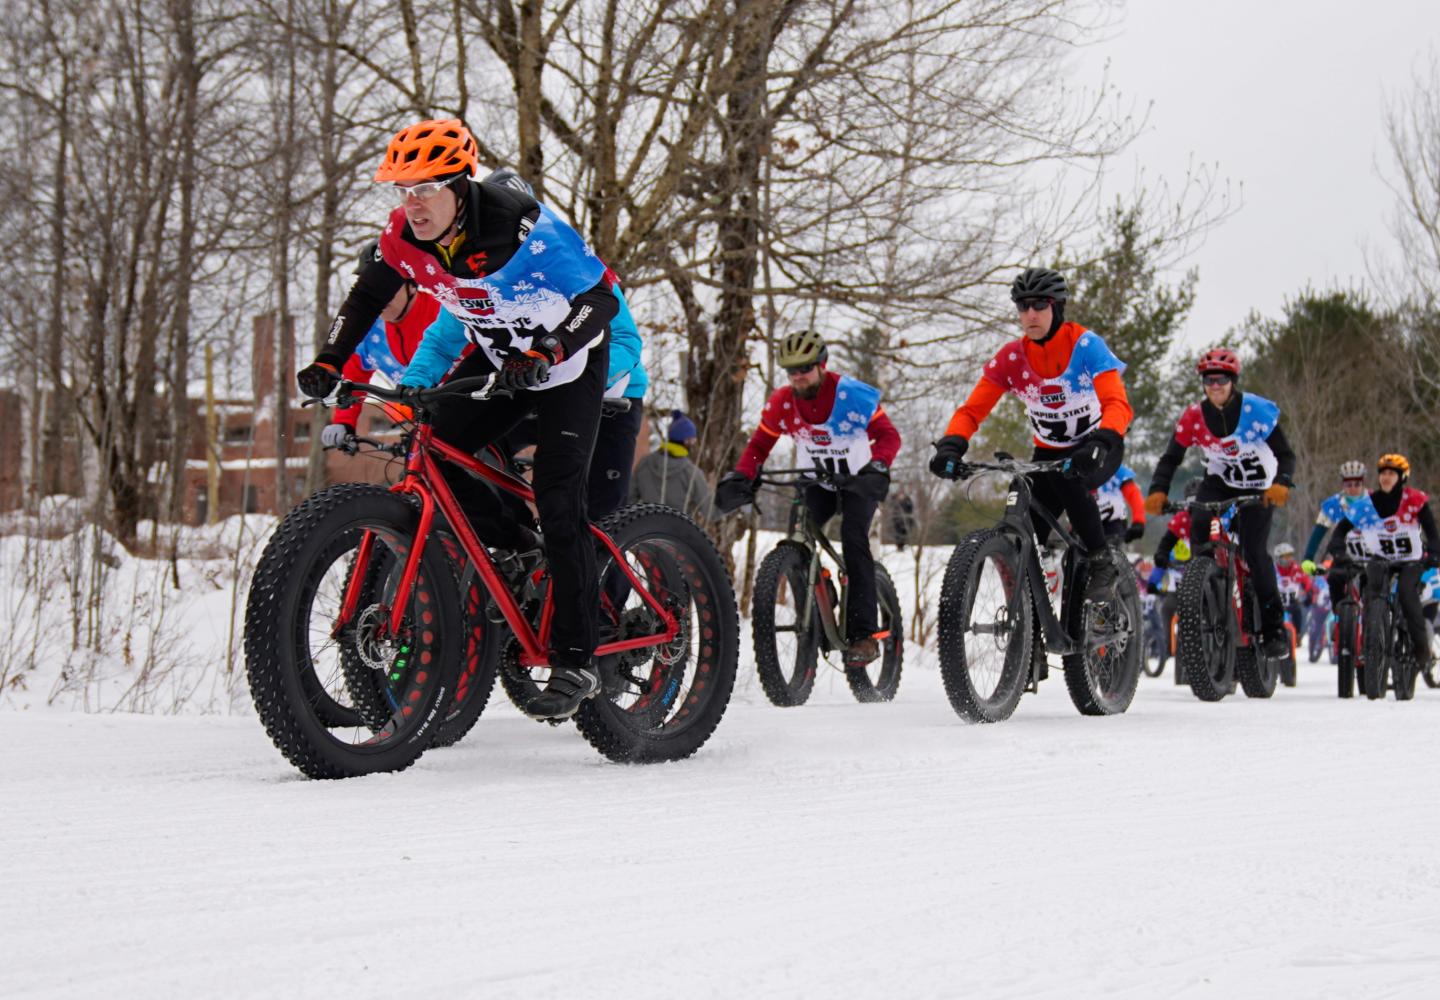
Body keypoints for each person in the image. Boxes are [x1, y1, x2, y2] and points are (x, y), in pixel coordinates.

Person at [295, 119, 619, 721]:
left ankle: (578, 658)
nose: (410, 203)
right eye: (401, 189)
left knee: (557, 497)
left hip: (567, 364)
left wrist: (548, 350)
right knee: (435, 451)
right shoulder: (404, 236)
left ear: (458, 183)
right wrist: (328, 360)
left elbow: (602, 299)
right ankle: (519, 550)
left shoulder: (521, 225)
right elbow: (367, 296)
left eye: (423, 188)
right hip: (498, 359)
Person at [929, 267, 1132, 601]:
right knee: (1024, 513)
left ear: (1058, 307)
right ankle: (1029, 625)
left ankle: (1101, 561)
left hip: (1098, 446)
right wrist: (951, 446)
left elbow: (1117, 403)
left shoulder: (1085, 345)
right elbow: (972, 410)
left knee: (1070, 481)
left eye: (1040, 304)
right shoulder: (1012, 358)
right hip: (1048, 452)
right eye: (1023, 307)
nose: (1031, 314)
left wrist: (1104, 438)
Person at [715, 330, 901, 664]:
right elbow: (759, 445)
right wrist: (742, 475)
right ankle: (815, 601)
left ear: (822, 365)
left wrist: (877, 465)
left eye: (805, 368)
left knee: (853, 538)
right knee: (796, 539)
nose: (798, 376)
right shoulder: (783, 402)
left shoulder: (851, 396)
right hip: (815, 482)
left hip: (857, 482)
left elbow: (889, 436)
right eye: (792, 371)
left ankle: (863, 635)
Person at [484, 167, 649, 522]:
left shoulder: (569, 263)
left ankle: (603, 570)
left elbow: (626, 342)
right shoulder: (488, 278)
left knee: (600, 521)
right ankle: (519, 540)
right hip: (539, 393)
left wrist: (570, 384)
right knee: (477, 448)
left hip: (611, 398)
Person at [1144, 348, 1295, 657]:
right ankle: (1204, 591)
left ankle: (1273, 627)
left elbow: (1286, 454)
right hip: (1220, 483)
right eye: (1209, 380)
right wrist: (1159, 489)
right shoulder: (1194, 417)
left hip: (1258, 486)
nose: (1215, 386)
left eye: (1222, 380)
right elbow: (1172, 457)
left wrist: (1282, 483)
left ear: (1233, 381)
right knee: (1199, 524)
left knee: (1254, 551)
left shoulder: (1255, 410)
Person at [319, 242, 444, 452]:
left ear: (411, 284)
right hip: (426, 419)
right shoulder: (370, 332)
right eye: (372, 289)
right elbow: (352, 374)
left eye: (388, 287)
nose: (380, 297)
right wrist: (343, 421)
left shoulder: (440, 312)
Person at [1326, 454, 1440, 670]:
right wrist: (1338, 549)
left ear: (1402, 477)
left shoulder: (1414, 500)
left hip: (1411, 560)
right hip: (1380, 559)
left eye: (1391, 473)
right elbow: (1340, 530)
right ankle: (1373, 638)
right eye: (1383, 473)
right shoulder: (1367, 504)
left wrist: (1434, 553)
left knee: (1407, 594)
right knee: (1372, 591)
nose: (1386, 477)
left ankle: (1421, 648)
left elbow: (1432, 533)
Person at [1299, 462, 1370, 614]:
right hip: (1343, 554)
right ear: (1343, 484)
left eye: (1357, 484)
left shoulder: (1375, 501)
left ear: (1363, 483)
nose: (1352, 488)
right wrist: (1308, 558)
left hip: (1370, 554)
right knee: (1334, 579)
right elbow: (1319, 532)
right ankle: (1339, 619)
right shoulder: (1333, 504)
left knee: (1373, 587)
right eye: (1348, 484)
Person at [630, 409, 717, 522]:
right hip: (678, 535)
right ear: (687, 440)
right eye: (693, 439)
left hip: (647, 532)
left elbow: (629, 500)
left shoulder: (644, 463)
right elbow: (710, 512)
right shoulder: (690, 472)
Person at [1094, 464, 1146, 544]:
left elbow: (1133, 493)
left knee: (1108, 553)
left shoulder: (1112, 463)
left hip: (1113, 522)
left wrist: (1138, 521)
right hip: (1083, 524)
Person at [1272, 542, 1313, 637]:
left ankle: (1298, 634)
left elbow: (1307, 583)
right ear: (1279, 558)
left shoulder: (1297, 569)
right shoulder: (1272, 570)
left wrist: (1309, 594)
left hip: (1293, 603)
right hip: (1276, 603)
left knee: (1299, 612)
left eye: (1290, 556)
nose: (1289, 559)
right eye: (1285, 556)